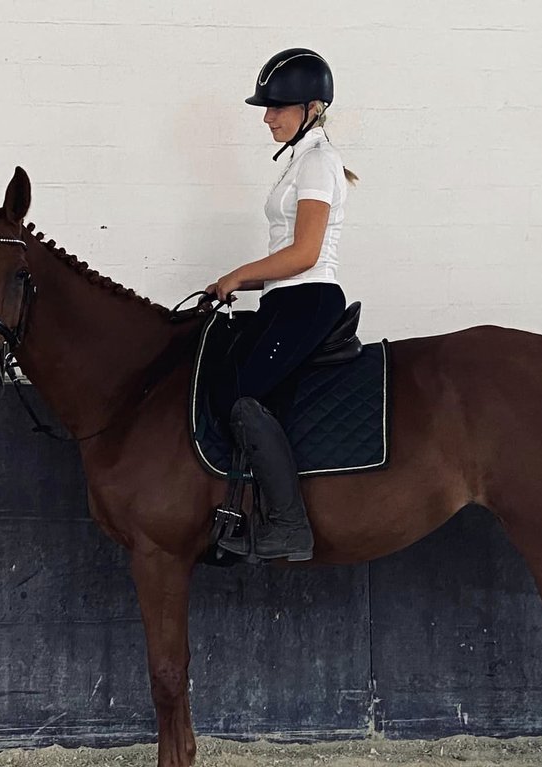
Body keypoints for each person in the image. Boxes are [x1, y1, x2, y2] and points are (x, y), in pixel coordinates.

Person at [207, 48, 358, 562]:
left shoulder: (317, 162)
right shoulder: (300, 160)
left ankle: (289, 527)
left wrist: (237, 275)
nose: (267, 117)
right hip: (285, 298)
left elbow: (305, 253)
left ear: (312, 109)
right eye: (267, 108)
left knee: (244, 396)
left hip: (308, 297)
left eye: (277, 107)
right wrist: (239, 286)